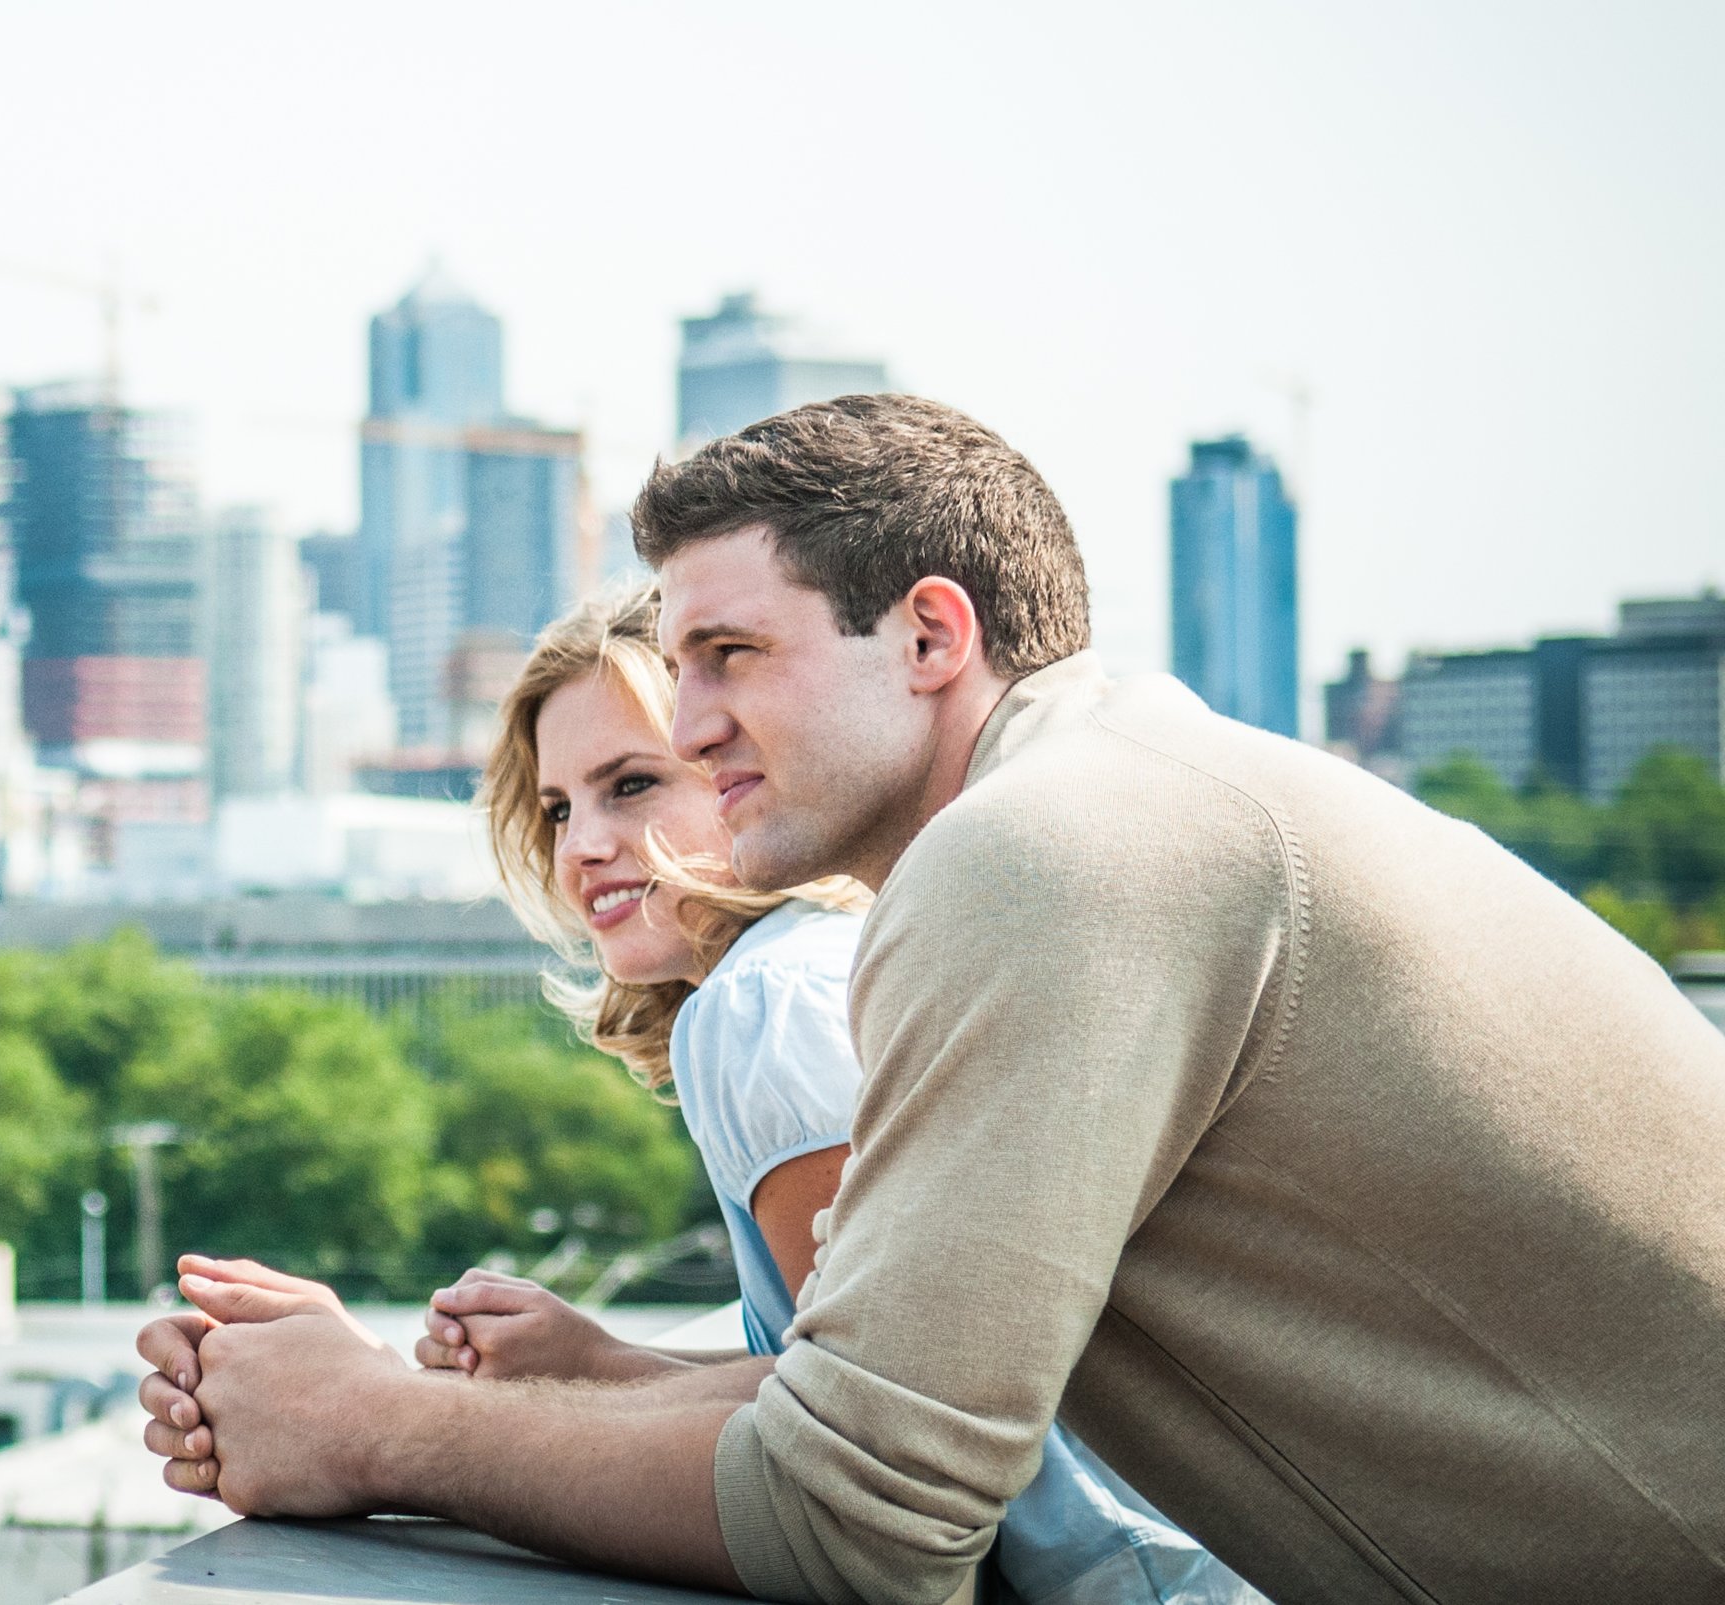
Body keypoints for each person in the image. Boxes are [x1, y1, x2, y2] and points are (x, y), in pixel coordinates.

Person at [138, 395, 1725, 1602]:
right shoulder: (1135, 793)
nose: (693, 727)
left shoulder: (1042, 854)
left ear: (928, 634)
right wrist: (602, 1378)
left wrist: (369, 1428)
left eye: (731, 655)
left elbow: (867, 1516)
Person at [419, 583, 1247, 1604]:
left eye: (631, 785)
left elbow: (872, 1423)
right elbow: (868, 1370)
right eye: (556, 809)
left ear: (739, 774)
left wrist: (397, 1421)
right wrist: (597, 1361)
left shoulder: (766, 1001)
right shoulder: (834, 965)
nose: (580, 846)